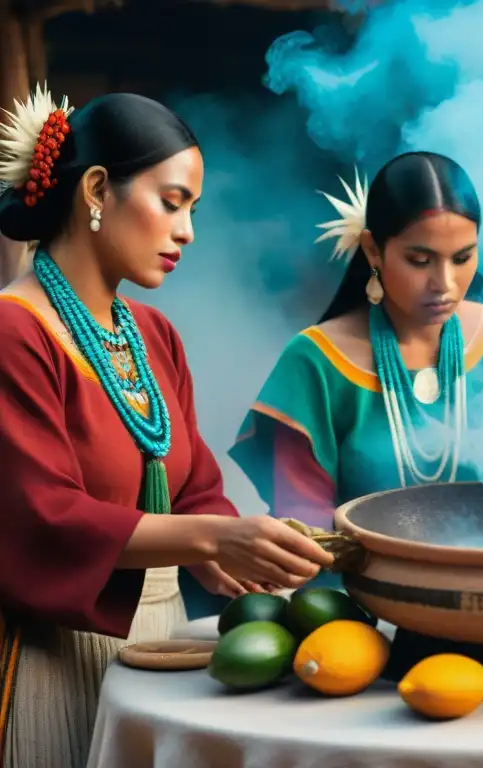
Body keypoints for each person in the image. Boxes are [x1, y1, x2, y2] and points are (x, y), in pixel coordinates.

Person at [0, 86, 334, 768]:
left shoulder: (151, 334)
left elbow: (195, 487)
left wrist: (233, 557)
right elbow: (44, 518)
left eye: (192, 210)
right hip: (56, 651)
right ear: (96, 189)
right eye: (172, 202)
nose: (187, 232)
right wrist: (215, 536)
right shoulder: (13, 332)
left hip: (165, 643)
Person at [219, 151, 483, 604]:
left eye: (463, 258)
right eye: (421, 260)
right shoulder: (317, 361)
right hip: (366, 616)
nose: (446, 283)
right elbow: (306, 527)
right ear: (373, 249)